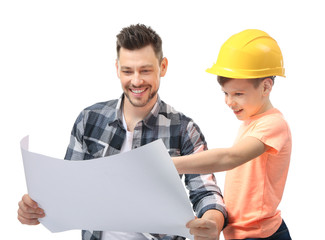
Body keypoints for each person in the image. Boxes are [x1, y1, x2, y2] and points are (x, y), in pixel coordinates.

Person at [17, 24, 227, 240]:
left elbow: (206, 193)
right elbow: (68, 193)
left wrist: (212, 221)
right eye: (127, 71)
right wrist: (35, 210)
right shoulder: (89, 119)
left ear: (162, 67)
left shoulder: (184, 129)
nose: (136, 81)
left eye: (145, 70)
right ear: (117, 68)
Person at [173, 29, 292, 240]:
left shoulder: (273, 124)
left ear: (266, 86)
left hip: (261, 236)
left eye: (238, 94)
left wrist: (171, 164)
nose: (229, 102)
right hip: (239, 234)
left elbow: (230, 158)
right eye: (226, 93)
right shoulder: (251, 122)